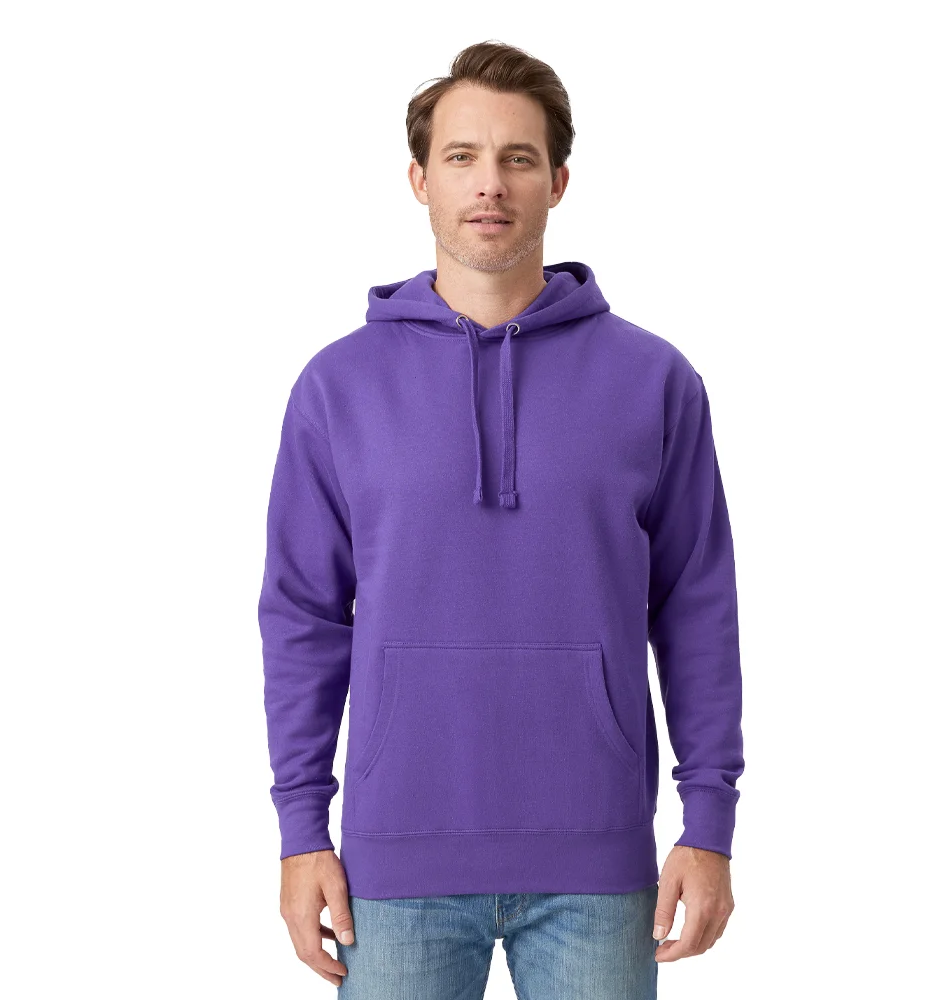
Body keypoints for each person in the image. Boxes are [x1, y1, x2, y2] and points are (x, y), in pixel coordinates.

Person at [258, 39, 745, 998]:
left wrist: (710, 822)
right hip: (392, 868)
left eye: (519, 158)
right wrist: (300, 829)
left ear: (557, 181)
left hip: (599, 866)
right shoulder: (337, 387)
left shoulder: (654, 381)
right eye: (462, 157)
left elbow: (697, 608)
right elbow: (301, 618)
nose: (490, 184)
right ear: (420, 180)